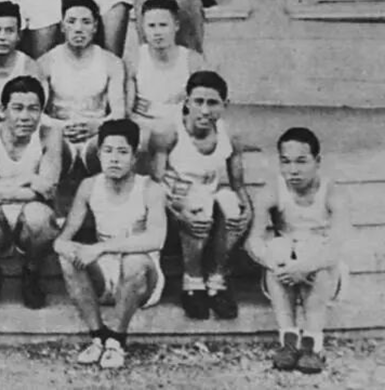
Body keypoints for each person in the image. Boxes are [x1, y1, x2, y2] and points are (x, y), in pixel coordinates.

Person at [55, 119, 167, 369]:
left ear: (134, 157)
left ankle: (116, 341)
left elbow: (155, 239)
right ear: (99, 154)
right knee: (68, 258)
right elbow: (63, 239)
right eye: (107, 151)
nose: (114, 159)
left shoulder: (150, 188)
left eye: (122, 152)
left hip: (142, 280)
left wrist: (101, 247)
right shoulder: (89, 186)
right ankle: (98, 337)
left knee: (134, 261)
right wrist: (68, 250)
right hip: (105, 276)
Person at [246, 128, 351, 374]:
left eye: (301, 161)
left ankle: (313, 344)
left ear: (317, 161)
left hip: (323, 272)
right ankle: (288, 341)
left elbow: (338, 245)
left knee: (319, 255)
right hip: (286, 267)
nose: (293, 170)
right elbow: (254, 241)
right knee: (277, 249)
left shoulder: (332, 192)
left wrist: (305, 266)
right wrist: (276, 264)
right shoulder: (273, 190)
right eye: (286, 161)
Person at [149, 71, 252, 320]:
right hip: (175, 201)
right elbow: (155, 184)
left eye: (213, 103)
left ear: (225, 105)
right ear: (187, 101)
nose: (205, 111)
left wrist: (247, 209)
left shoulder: (230, 135)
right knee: (198, 206)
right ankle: (192, 280)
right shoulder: (168, 131)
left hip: (208, 196)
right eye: (198, 102)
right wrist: (178, 212)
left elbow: (238, 184)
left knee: (233, 206)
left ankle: (217, 280)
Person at [0, 76, 62, 309]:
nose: (25, 116)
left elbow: (48, 190)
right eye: (17, 108)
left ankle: (32, 272)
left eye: (33, 109)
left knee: (39, 216)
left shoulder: (50, 134)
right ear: (3, 109)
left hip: (28, 218)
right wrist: (29, 180)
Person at [39, 0, 125, 174]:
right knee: (48, 143)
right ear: (62, 26)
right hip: (59, 136)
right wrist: (60, 128)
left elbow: (119, 113)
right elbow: (37, 113)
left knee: (113, 144)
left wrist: (97, 126)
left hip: (96, 136)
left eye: (86, 22)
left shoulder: (111, 63)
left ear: (95, 27)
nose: (78, 28)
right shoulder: (46, 62)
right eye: (71, 22)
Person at [127, 0, 206, 146]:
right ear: (143, 27)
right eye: (151, 26)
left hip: (181, 128)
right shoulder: (135, 58)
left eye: (163, 25)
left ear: (176, 26)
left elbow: (203, 105)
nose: (157, 32)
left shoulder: (192, 60)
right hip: (144, 128)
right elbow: (128, 110)